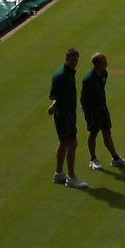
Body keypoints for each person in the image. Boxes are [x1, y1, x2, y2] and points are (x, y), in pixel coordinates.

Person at [81, 53, 125, 170]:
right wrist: (87, 112)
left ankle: (115, 158)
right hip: (92, 110)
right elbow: (83, 98)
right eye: (104, 62)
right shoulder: (88, 79)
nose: (107, 64)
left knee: (107, 131)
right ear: (97, 64)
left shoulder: (104, 73)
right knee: (93, 133)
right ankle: (93, 159)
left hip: (103, 108)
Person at [49, 47, 85, 187]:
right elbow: (53, 94)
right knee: (72, 143)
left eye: (77, 60)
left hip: (67, 113)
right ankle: (71, 177)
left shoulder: (70, 72)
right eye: (73, 60)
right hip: (64, 115)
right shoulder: (61, 75)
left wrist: (54, 105)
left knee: (64, 142)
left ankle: (59, 174)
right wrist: (56, 104)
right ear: (67, 59)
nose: (75, 62)